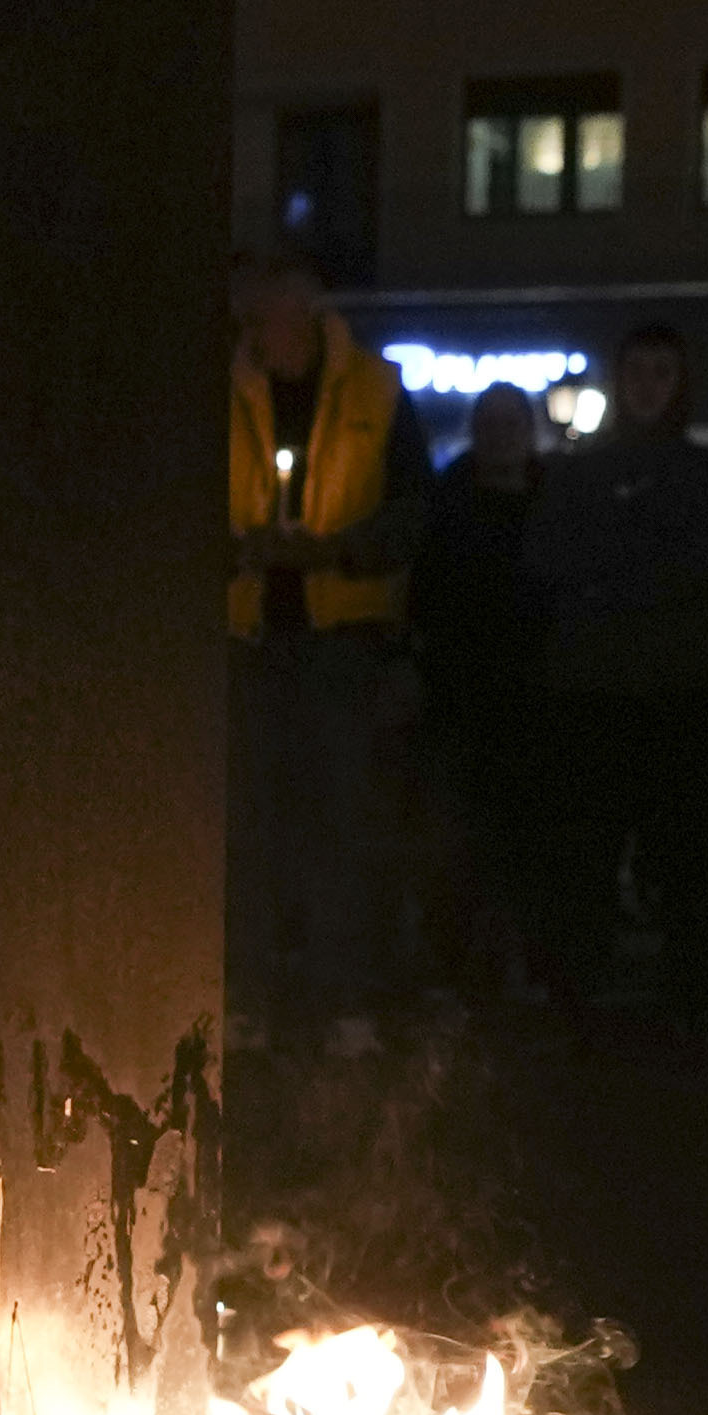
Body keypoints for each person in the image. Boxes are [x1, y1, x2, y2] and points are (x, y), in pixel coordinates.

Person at [522, 327, 708, 1022]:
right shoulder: (581, 473)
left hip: (680, 694)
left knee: (685, 859)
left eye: (662, 372)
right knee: (586, 855)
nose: (649, 385)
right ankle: (580, 992)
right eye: (638, 371)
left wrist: (617, 572)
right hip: (595, 695)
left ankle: (690, 998)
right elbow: (547, 560)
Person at [226, 253, 427, 1024]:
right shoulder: (227, 387)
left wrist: (335, 551)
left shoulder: (377, 390)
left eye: (261, 319)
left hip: (342, 646)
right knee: (248, 829)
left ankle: (344, 1001)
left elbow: (410, 513)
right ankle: (247, 1000)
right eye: (246, 320)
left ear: (302, 319)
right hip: (246, 644)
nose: (252, 334)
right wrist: (240, 550)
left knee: (340, 826)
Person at [412, 381, 556, 1001]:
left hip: (534, 694)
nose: (501, 433)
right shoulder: (447, 505)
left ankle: (515, 963)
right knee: (464, 840)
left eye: (510, 422)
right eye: (491, 422)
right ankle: (465, 967)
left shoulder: (552, 502)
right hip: (463, 694)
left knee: (525, 837)